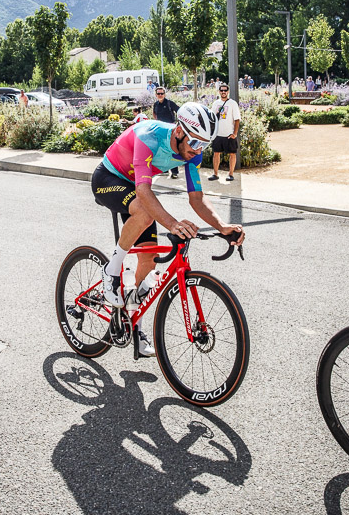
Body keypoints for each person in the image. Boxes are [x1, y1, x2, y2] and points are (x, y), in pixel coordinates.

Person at [92, 102, 246, 356]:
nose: (197, 151)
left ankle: (135, 328)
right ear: (178, 132)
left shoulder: (192, 151)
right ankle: (111, 270)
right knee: (144, 209)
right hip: (109, 178)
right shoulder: (148, 137)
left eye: (203, 146)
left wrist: (222, 225)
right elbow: (143, 191)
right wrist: (173, 224)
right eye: (194, 143)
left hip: (135, 191)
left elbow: (196, 197)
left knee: (148, 261)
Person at [209, 84, 241, 182]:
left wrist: (234, 134)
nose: (223, 92)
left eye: (225, 90)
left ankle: (231, 174)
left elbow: (237, 119)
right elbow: (212, 117)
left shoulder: (232, 103)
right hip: (218, 134)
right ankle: (215, 174)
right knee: (216, 153)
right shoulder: (216, 103)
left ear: (228, 92)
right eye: (222, 90)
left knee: (232, 154)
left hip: (229, 134)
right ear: (219, 91)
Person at [151, 87, 181, 179]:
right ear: (156, 95)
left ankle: (174, 172)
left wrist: (178, 124)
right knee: (162, 150)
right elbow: (154, 114)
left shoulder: (169, 103)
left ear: (164, 94)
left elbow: (179, 111)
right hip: (161, 130)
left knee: (172, 150)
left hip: (171, 130)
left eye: (162, 93)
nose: (160, 95)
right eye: (158, 94)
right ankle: (164, 170)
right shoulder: (156, 104)